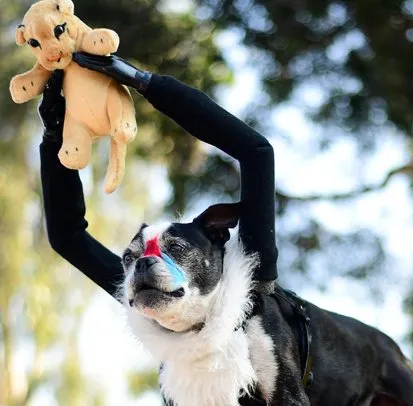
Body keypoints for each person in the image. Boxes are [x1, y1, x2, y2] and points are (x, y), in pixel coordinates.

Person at [39, 54, 278, 301]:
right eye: (131, 258)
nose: (144, 265)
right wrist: (55, 137)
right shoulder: (142, 286)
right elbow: (67, 237)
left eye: (176, 249)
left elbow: (257, 153)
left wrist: (145, 82)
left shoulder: (252, 288)